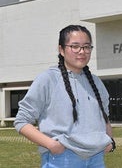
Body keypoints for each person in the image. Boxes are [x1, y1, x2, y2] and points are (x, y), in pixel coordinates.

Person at [14, 24, 116, 168]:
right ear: (61, 49)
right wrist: (51, 144)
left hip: (96, 159)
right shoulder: (48, 79)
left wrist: (110, 141)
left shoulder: (96, 82)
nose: (82, 51)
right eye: (75, 46)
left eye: (87, 47)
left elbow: (104, 117)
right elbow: (21, 121)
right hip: (63, 158)